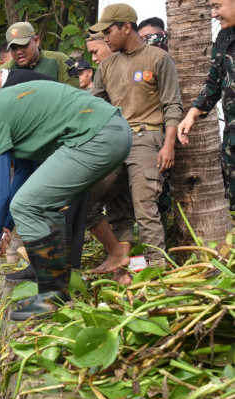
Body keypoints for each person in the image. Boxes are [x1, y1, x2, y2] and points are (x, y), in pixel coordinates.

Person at [0, 78, 131, 320]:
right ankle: (55, 294)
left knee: (27, 205)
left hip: (96, 137)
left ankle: (52, 297)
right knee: (40, 203)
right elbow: (23, 173)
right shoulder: (2, 107)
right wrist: (6, 228)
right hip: (113, 131)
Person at [88, 3, 183, 279]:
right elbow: (95, 108)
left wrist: (168, 144)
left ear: (126, 27)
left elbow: (172, 105)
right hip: (116, 141)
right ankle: (121, 258)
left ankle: (156, 270)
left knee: (145, 207)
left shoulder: (158, 58)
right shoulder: (106, 66)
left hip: (147, 137)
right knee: (90, 199)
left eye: (108, 32)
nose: (104, 38)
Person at [178, 0, 235, 210]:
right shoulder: (224, 37)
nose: (213, 14)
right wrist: (191, 115)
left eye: (217, 6)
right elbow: (214, 83)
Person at [0, 21, 79, 88]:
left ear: (36, 41)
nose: (18, 52)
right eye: (13, 48)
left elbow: (72, 96)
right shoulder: (3, 72)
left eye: (23, 45)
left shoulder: (59, 61)